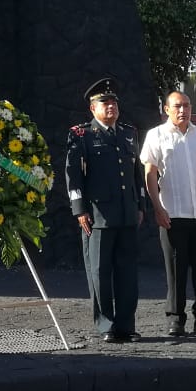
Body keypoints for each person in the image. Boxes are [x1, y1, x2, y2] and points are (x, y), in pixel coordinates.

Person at [65, 77, 147, 343]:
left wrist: (140, 204)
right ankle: (106, 325)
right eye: (104, 102)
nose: (111, 106)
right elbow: (73, 176)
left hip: (126, 213)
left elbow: (137, 173)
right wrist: (79, 210)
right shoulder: (81, 134)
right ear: (93, 108)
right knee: (99, 273)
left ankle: (126, 325)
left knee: (127, 273)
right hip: (97, 216)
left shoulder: (128, 132)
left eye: (114, 102)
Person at [142, 91, 196, 337]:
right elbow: (150, 174)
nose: (183, 111)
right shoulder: (156, 135)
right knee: (176, 272)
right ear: (166, 109)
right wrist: (157, 207)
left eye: (187, 106)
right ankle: (175, 320)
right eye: (178, 106)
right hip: (173, 214)